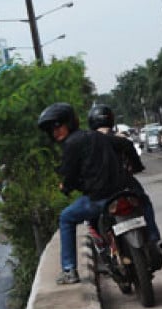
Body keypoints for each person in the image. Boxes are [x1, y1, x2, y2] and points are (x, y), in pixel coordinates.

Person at [39, 102, 134, 285]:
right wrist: (134, 166)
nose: (55, 131)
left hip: (99, 199)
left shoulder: (71, 145)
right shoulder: (97, 136)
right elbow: (125, 144)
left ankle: (69, 270)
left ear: (69, 123)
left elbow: (68, 175)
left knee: (66, 217)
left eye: (58, 125)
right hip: (121, 191)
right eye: (51, 128)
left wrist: (65, 187)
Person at [88, 104, 162, 263]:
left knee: (92, 216)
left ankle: (105, 249)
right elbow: (134, 160)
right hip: (126, 184)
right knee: (145, 202)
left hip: (100, 189)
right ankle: (154, 238)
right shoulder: (120, 139)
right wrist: (136, 167)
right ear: (111, 120)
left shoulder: (88, 143)